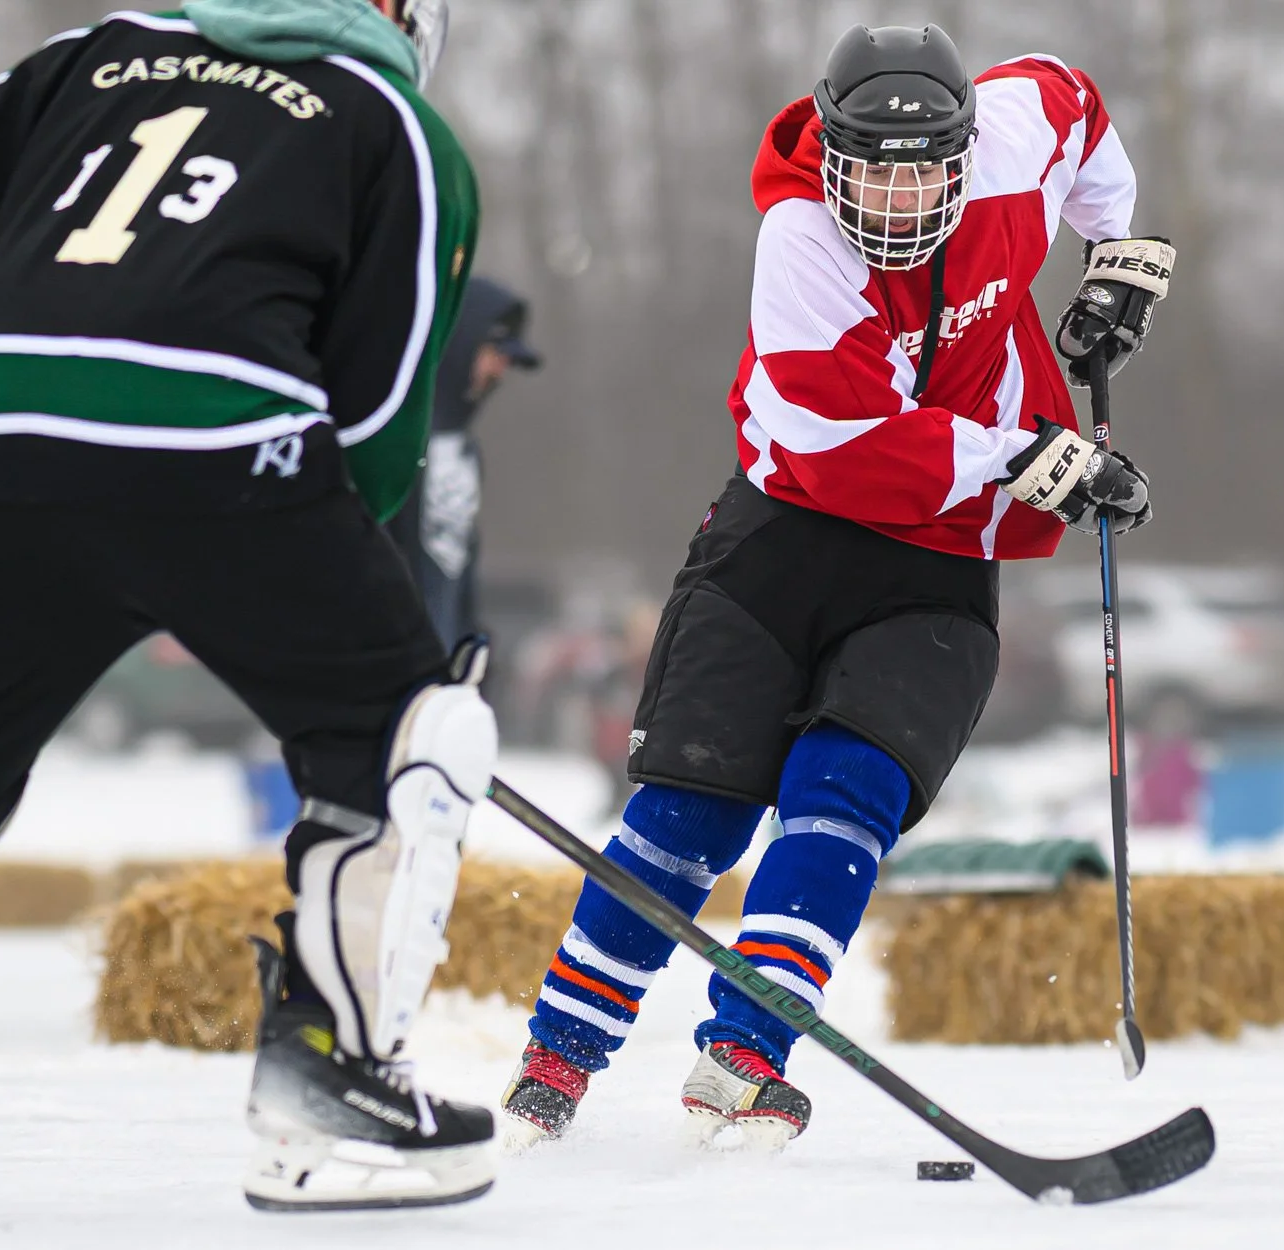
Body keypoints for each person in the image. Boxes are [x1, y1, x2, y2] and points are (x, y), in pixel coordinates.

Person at [0, 0, 504, 1220]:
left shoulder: (85, 55)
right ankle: (334, 1082)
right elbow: (377, 418)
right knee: (408, 731)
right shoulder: (393, 121)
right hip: (224, 448)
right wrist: (352, 604)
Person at [500, 23, 1167, 1148]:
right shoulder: (802, 235)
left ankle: (744, 1060)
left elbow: (1080, 107)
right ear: (832, 154)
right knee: (689, 809)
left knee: (846, 788)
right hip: (789, 535)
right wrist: (1018, 456)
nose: (900, 202)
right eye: (873, 170)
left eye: (924, 173)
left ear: (967, 153)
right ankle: (556, 1060)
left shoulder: (1015, 133)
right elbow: (838, 435)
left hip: (940, 560)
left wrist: (1117, 253)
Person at [387, 277, 542, 649]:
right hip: (384, 672)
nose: (499, 371)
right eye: (494, 352)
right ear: (460, 339)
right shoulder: (392, 436)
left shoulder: (464, 452)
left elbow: (458, 574)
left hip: (440, 683)